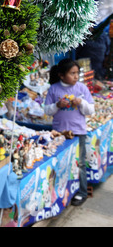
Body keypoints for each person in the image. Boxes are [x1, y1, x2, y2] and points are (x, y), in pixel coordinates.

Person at [44, 58, 95, 206]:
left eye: (77, 73)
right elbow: (47, 110)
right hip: (59, 132)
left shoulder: (81, 88)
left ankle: (82, 192)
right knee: (62, 163)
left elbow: (91, 110)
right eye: (72, 73)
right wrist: (57, 105)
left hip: (78, 131)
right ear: (61, 75)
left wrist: (81, 103)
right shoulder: (54, 89)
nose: (76, 76)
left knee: (79, 163)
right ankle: (62, 193)